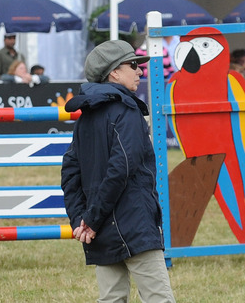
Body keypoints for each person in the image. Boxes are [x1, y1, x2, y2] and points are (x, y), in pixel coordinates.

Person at [61, 40, 175, 303]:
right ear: (113, 72)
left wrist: (83, 219)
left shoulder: (85, 117)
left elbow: (69, 172)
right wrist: (89, 219)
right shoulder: (127, 110)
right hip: (132, 223)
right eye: (133, 65)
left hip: (99, 229)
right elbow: (121, 169)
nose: (140, 71)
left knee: (111, 299)